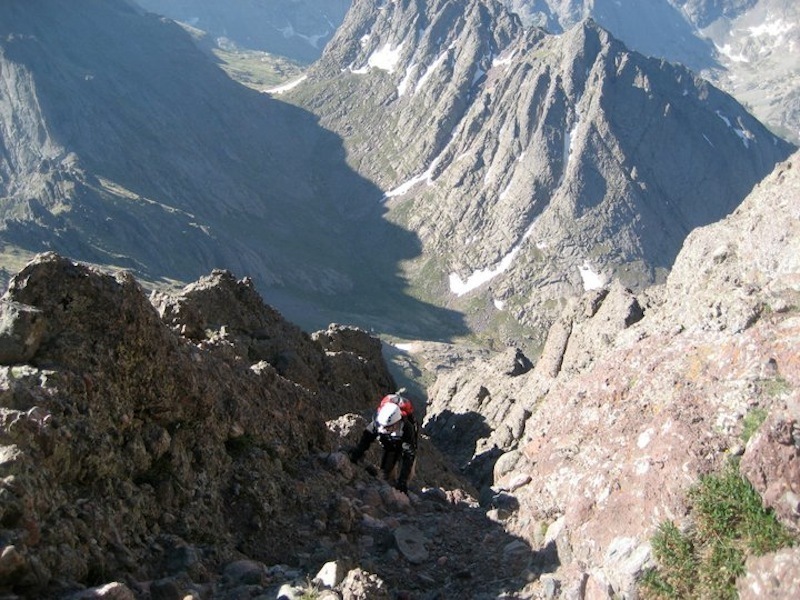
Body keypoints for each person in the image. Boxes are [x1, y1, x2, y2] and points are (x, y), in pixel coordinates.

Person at [349, 391, 418, 493]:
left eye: (388, 428)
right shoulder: (377, 424)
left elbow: (408, 455)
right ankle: (389, 486)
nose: (385, 429)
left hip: (404, 442)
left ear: (396, 423)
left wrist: (403, 481)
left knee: (407, 468)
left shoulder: (407, 428)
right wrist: (357, 453)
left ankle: (400, 488)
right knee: (386, 472)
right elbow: (366, 438)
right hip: (389, 445)